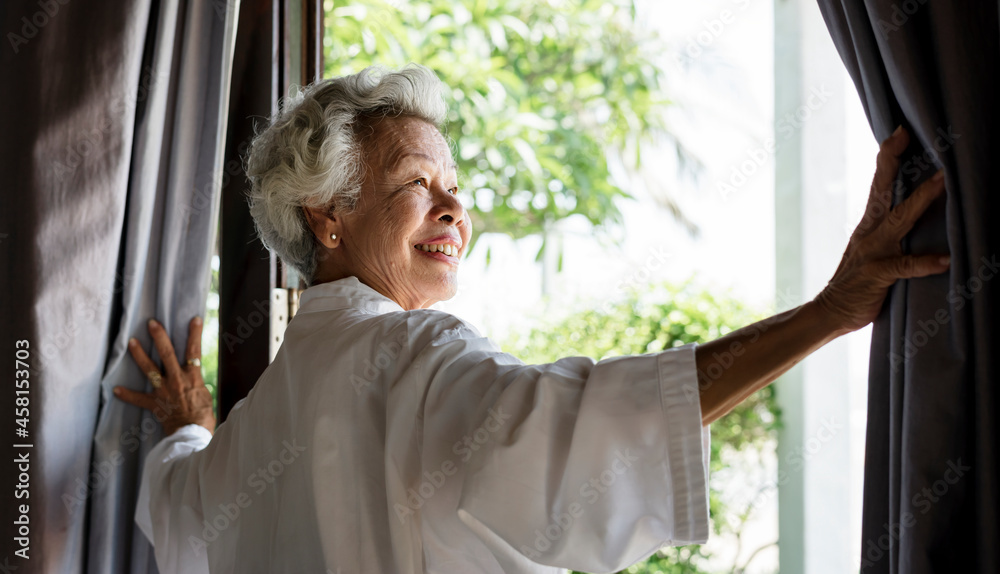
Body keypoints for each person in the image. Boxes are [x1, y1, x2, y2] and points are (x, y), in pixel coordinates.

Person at [113, 65, 949, 573]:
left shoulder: (250, 437)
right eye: (417, 182)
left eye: (454, 186)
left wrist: (191, 425)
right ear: (328, 215)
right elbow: (582, 426)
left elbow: (176, 506)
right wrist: (830, 311)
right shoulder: (410, 355)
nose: (454, 207)